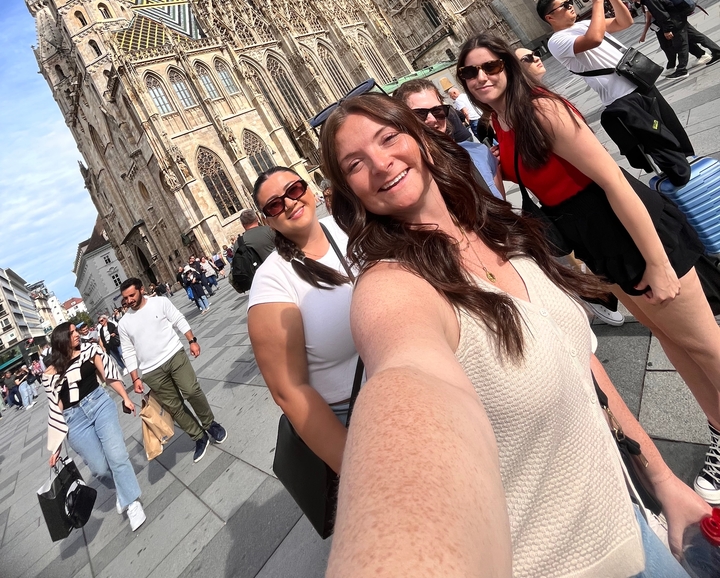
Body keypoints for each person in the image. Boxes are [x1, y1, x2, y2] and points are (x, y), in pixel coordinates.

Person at [319, 93, 705, 578]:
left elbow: (579, 363)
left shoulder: (492, 227)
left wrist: (663, 478)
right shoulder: (390, 286)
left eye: (388, 137)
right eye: (354, 163)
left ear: (423, 139)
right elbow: (407, 374)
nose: (379, 163)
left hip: (628, 520)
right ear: (349, 193)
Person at [457, 33, 720, 504]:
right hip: (600, 245)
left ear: (508, 66)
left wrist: (658, 262)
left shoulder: (542, 110)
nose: (480, 78)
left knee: (704, 342)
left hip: (633, 231)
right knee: (674, 341)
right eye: (470, 73)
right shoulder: (502, 122)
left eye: (490, 66)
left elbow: (615, 182)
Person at [247, 167, 358, 475]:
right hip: (354, 413)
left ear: (308, 189)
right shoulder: (272, 282)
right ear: (268, 219)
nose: (290, 203)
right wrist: (355, 468)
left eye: (294, 190)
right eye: (275, 205)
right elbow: (289, 391)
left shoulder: (347, 226)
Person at [514, 45, 624, 327]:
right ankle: (597, 293)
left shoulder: (544, 104)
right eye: (529, 58)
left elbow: (611, 177)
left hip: (595, 200)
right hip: (571, 213)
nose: (537, 58)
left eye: (536, 53)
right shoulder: (509, 117)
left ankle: (598, 293)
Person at [538, 0, 694, 156]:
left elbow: (624, 22)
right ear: (549, 17)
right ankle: (677, 171)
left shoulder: (582, 25)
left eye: (569, 2)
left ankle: (691, 158)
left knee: (672, 125)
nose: (570, 6)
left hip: (637, 78)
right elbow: (594, 39)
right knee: (658, 139)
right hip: (620, 94)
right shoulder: (556, 41)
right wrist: (596, 1)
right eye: (564, 6)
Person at [42, 322, 146, 531]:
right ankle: (121, 490)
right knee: (99, 469)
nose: (76, 335)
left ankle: (132, 502)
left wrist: (125, 397)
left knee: (117, 457)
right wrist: (57, 445)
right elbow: (56, 408)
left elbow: (108, 375)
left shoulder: (90, 350)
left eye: (76, 331)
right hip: (74, 420)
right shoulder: (50, 374)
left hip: (99, 404)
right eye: (71, 333)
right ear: (61, 340)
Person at [118, 278, 226, 463]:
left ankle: (210, 424)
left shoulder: (160, 302)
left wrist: (191, 340)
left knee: (191, 390)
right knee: (175, 408)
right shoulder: (124, 323)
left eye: (131, 295)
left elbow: (178, 319)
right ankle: (199, 437)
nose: (129, 300)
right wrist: (135, 378)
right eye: (125, 298)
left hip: (174, 354)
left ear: (141, 290)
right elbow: (128, 351)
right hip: (151, 371)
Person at [394, 80, 503, 199]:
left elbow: (502, 207)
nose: (432, 119)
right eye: (420, 113)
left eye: (437, 111)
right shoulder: (405, 176)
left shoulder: (479, 153)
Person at [629, 0, 720, 79]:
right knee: (696, 36)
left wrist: (667, 29)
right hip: (679, 18)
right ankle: (717, 51)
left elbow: (662, 14)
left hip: (675, 21)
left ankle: (681, 70)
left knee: (681, 44)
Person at [638, 3, 709, 74]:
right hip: (661, 25)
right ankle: (673, 65)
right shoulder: (645, 1)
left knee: (672, 44)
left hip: (662, 24)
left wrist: (643, 34)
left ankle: (699, 55)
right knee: (671, 44)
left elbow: (649, 18)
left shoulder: (646, 2)